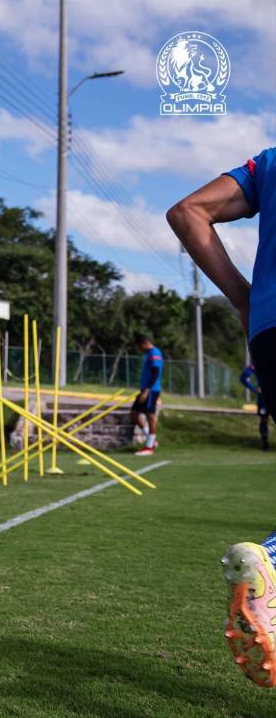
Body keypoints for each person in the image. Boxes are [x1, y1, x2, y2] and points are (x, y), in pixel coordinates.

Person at [167, 145, 276, 687]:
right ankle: (272, 566)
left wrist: (242, 298)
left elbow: (187, 211)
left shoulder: (272, 162)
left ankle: (271, 571)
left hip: (270, 333)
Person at [130, 334, 164, 456]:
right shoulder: (149, 354)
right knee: (134, 413)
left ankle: (149, 448)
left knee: (150, 416)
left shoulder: (154, 353)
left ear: (144, 343)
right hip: (145, 389)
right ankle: (151, 439)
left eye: (140, 347)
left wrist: (147, 391)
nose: (140, 350)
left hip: (151, 390)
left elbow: (156, 373)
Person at [239, 363, 269, 451]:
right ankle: (265, 445)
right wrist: (254, 389)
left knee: (264, 420)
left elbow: (243, 378)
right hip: (264, 398)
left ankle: (265, 445)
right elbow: (243, 377)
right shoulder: (258, 362)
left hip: (264, 398)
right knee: (264, 419)